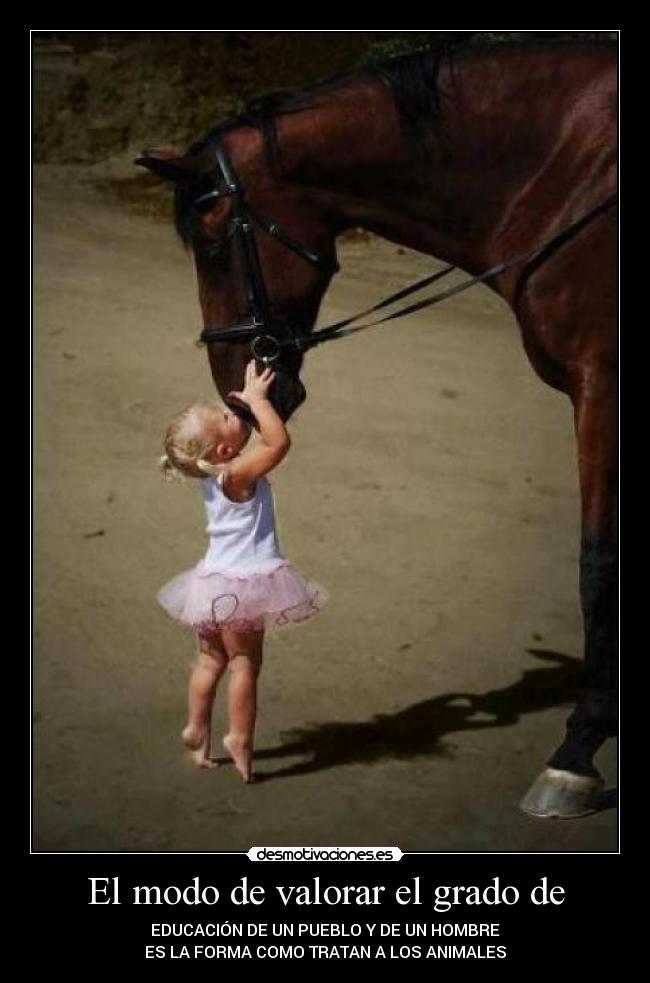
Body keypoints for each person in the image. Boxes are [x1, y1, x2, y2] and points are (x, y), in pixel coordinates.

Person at [157, 360, 326, 782]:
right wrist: (257, 400)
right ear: (224, 451)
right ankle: (239, 738)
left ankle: (196, 728)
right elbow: (278, 444)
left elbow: (259, 445)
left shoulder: (212, 474)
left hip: (210, 584)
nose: (238, 412)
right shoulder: (237, 473)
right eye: (230, 417)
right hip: (244, 586)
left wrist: (250, 398)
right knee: (245, 663)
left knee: (209, 660)